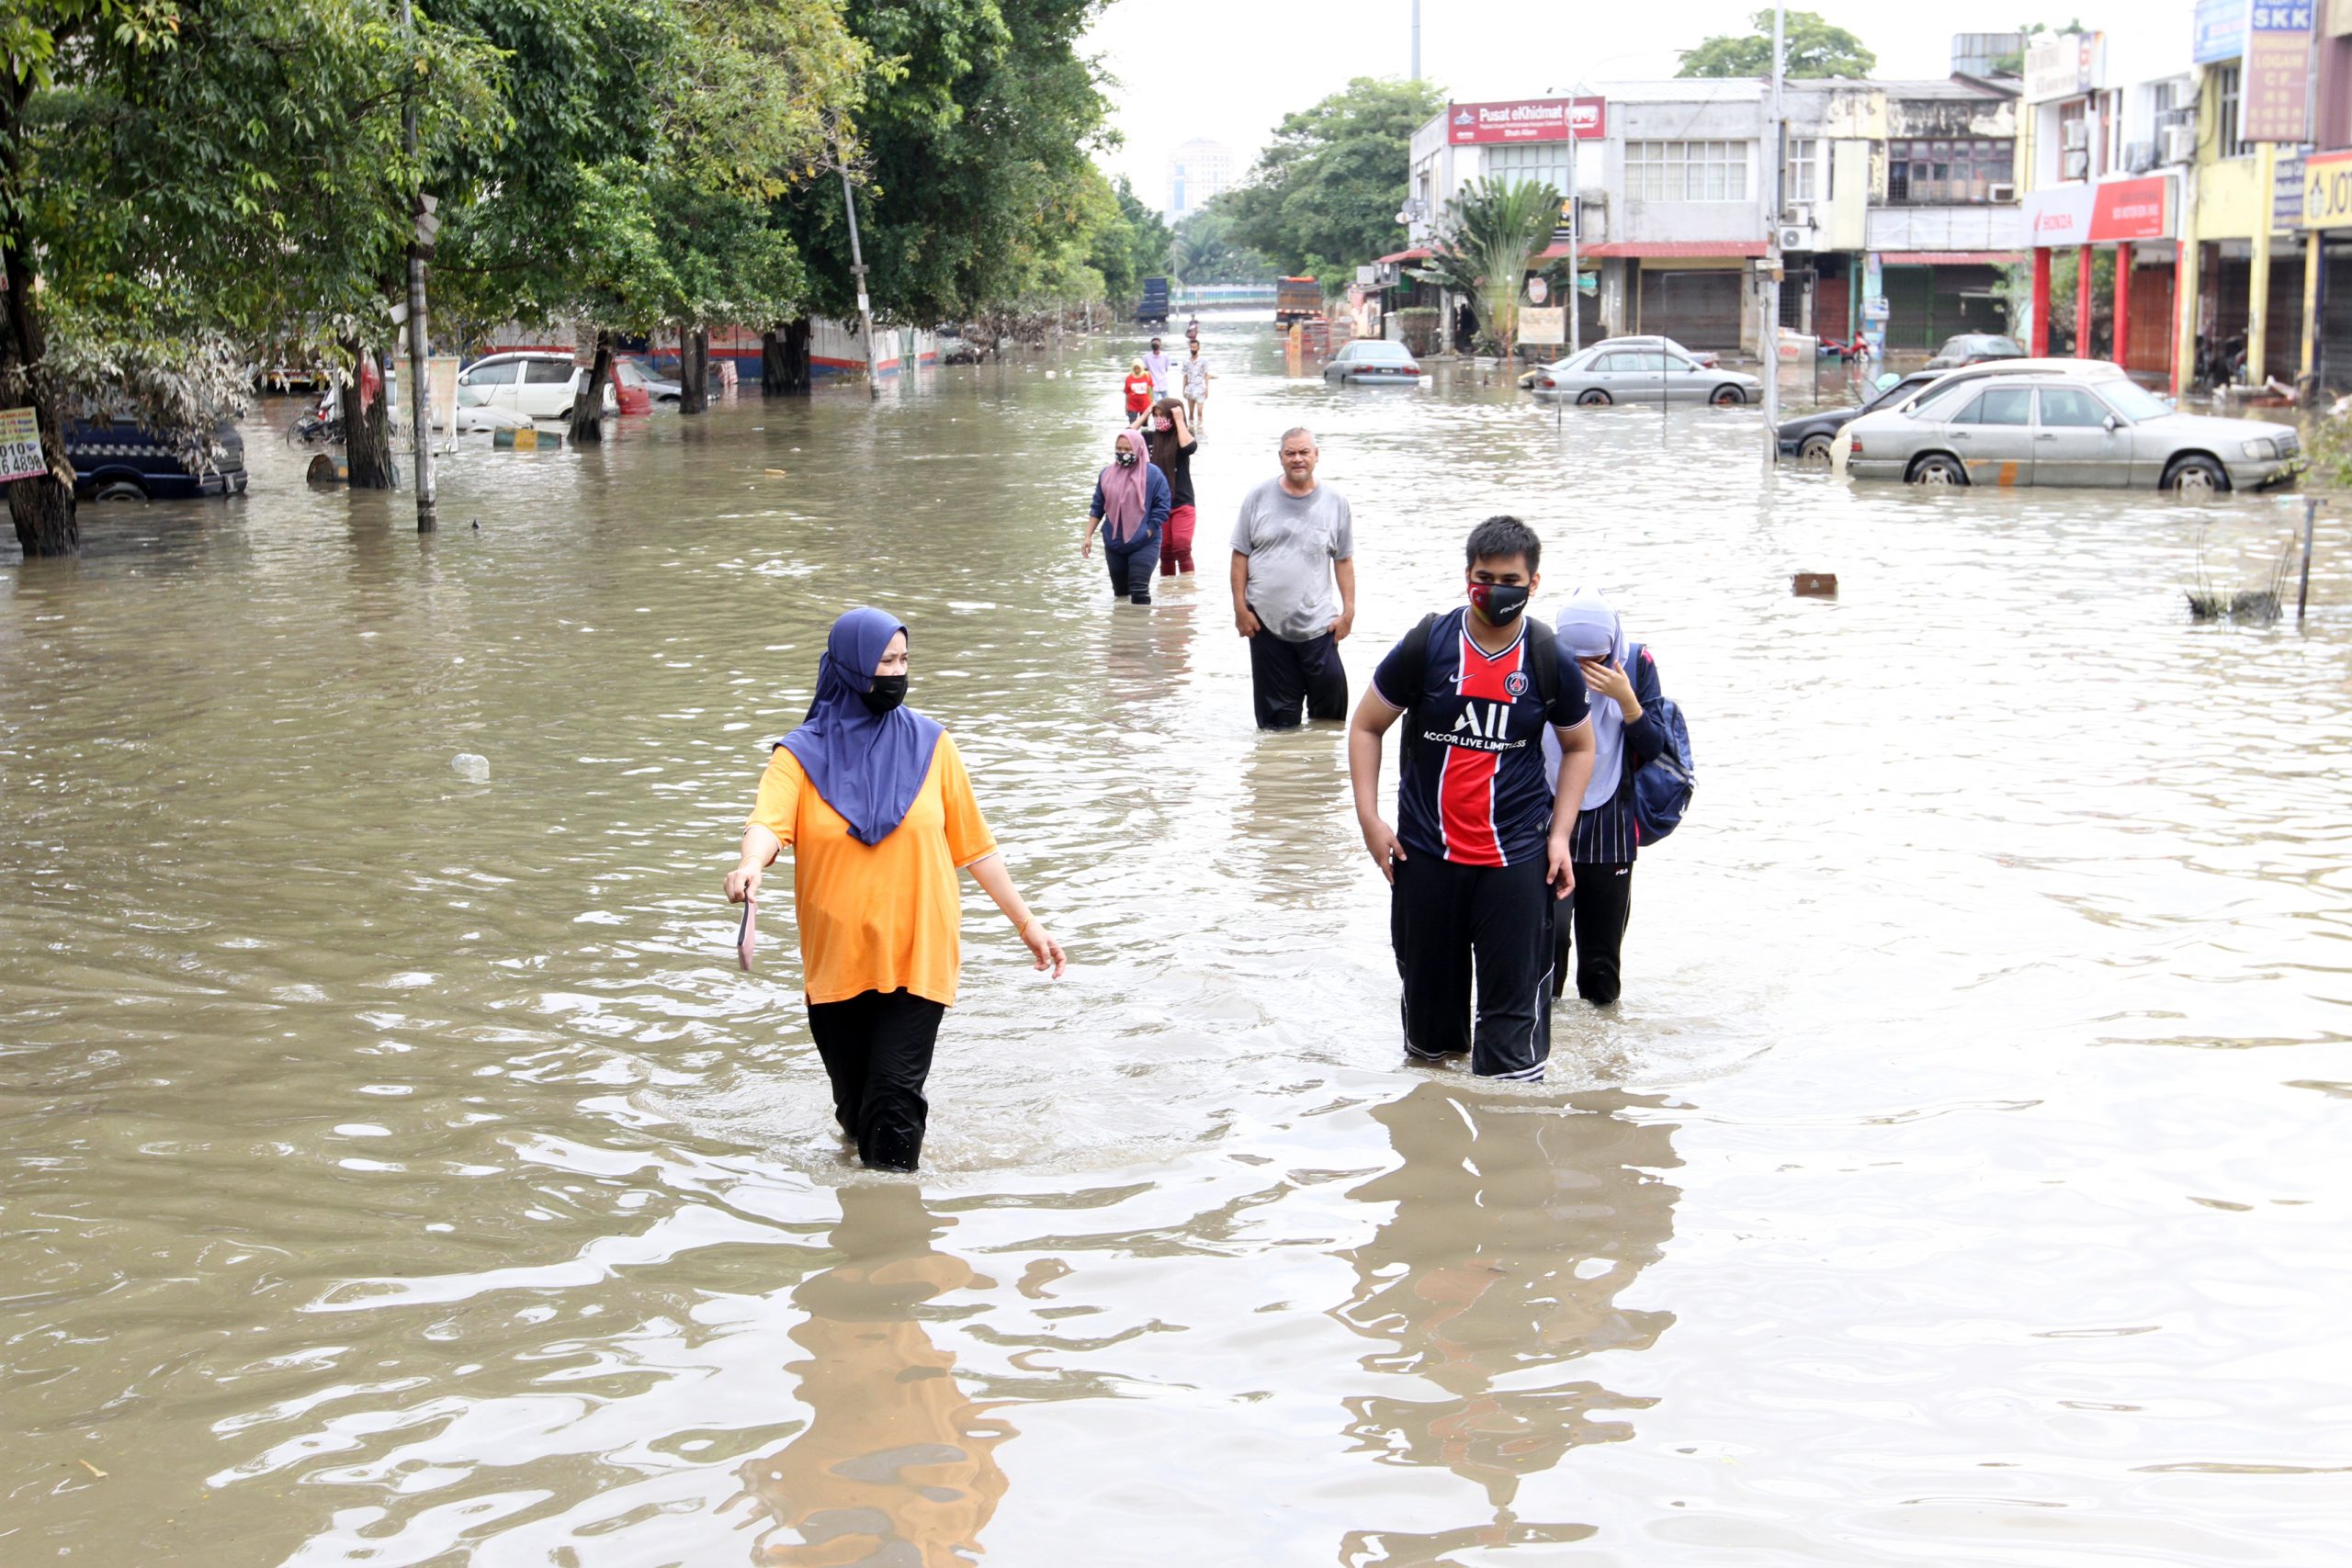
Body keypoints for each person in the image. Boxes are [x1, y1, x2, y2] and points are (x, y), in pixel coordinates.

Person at [726, 608, 1066, 1172]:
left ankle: (898, 1218)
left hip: (919, 949)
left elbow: (976, 848)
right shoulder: (799, 755)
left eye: (904, 660)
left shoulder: (934, 746)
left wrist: (1028, 924)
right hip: (838, 957)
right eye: (885, 661)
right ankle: (861, 1201)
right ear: (851, 666)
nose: (897, 673)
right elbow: (767, 822)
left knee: (894, 1100)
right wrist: (750, 864)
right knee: (855, 1108)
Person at [1345, 516, 1595, 1081]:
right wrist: (1369, 820)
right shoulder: (1428, 644)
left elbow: (1581, 746)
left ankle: (1508, 1129)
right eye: (1485, 578)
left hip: (1516, 863)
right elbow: (1365, 726)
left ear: (1533, 584)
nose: (1495, 590)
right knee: (1429, 1049)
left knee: (1513, 1049)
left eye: (1510, 580)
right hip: (1426, 858)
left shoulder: (1547, 657)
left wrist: (1560, 835)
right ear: (1467, 578)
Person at [1541, 589, 1667, 1007]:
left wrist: (1626, 700)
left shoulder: (1637, 664)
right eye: (1573, 659)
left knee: (1601, 964)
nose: (1584, 670)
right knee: (1547, 948)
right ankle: (1545, 1038)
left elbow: (1654, 748)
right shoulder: (1540, 659)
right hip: (1545, 818)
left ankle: (1600, 1045)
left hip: (1611, 825)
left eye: (1595, 660)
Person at [1230, 427, 1355, 729]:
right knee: (1278, 726)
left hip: (1319, 623)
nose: (1297, 459)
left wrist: (1349, 612)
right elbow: (1239, 556)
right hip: (1265, 625)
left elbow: (1343, 560)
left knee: (1330, 718)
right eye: (1290, 453)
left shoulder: (1336, 502)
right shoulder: (1258, 497)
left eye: (1303, 452)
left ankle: (1319, 761)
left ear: (1316, 455)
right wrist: (1240, 610)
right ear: (1281, 457)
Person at [1083, 427, 1170, 605]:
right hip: (1114, 542)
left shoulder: (1153, 475)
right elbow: (1098, 506)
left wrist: (1148, 530)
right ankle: (1122, 623)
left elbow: (1162, 506)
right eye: (1119, 449)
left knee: (1139, 590)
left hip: (1144, 541)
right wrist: (1088, 536)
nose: (1123, 453)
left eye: (1128, 449)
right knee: (1121, 594)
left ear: (1138, 449)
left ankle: (1142, 622)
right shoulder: (1106, 475)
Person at [1142, 398, 1199, 577]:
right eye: (1156, 416)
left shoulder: (1183, 436)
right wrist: (1144, 415)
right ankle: (1167, 589)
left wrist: (1180, 420)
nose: (1159, 419)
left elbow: (1189, 448)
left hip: (1182, 501)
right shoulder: (1150, 438)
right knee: (1164, 550)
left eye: (1163, 415)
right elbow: (1126, 437)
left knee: (1182, 547)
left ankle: (1186, 587)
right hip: (1159, 504)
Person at [1182, 338, 1212, 431]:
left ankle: (1200, 430)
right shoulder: (1186, 361)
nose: (1192, 349)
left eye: (1194, 347)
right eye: (1191, 347)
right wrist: (1183, 389)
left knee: (1199, 412)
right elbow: (1185, 376)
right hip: (1190, 388)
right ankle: (1191, 430)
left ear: (1198, 348)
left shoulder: (1203, 361)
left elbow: (1206, 375)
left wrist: (1207, 389)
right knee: (1191, 412)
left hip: (1200, 388)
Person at [1142, 336, 1175, 401]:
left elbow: (1166, 368)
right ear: (1151, 345)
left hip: (1163, 383)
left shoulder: (1165, 356)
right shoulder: (1146, 357)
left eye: (1157, 343)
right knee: (1155, 403)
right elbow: (1145, 370)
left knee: (1166, 403)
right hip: (1152, 384)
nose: (1155, 345)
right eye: (1154, 343)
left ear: (1160, 345)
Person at [1122, 358, 1153, 423]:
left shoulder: (1147, 376)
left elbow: (1151, 390)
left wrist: (1152, 403)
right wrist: (1126, 406)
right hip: (1132, 405)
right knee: (1132, 424)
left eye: (1138, 368)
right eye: (1135, 368)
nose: (1137, 370)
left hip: (1145, 404)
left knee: (1144, 425)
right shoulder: (1129, 378)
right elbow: (1127, 393)